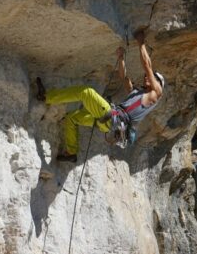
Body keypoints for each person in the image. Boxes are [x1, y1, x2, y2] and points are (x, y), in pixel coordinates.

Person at [36, 31, 164, 163]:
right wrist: (121, 58)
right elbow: (124, 78)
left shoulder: (156, 94)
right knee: (72, 118)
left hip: (112, 118)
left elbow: (147, 66)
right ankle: (71, 152)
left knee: (86, 92)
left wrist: (141, 42)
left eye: (153, 77)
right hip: (109, 123)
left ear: (158, 84)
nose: (147, 77)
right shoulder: (138, 94)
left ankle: (46, 96)